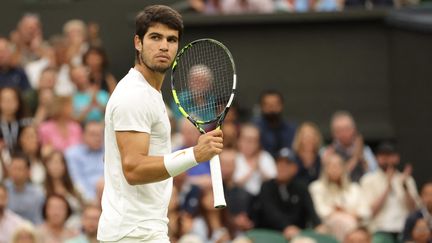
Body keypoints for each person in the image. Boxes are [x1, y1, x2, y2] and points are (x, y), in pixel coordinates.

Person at [97, 5, 223, 243]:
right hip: (133, 234)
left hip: (141, 230)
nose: (164, 45)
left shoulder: (149, 93)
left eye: (171, 39)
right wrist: (195, 154)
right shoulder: (134, 95)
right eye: (155, 37)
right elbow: (133, 169)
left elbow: (117, 159)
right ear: (138, 43)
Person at [360, 141, 419, 242]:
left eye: (390, 155)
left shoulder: (407, 179)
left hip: (404, 230)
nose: (387, 159)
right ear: (376, 158)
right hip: (379, 229)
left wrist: (404, 186)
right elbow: (370, 212)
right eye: (383, 156)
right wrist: (388, 186)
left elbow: (414, 210)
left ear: (397, 158)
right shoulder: (368, 180)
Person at [257, 148, 321, 240]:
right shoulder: (267, 187)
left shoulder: (301, 187)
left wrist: (318, 225)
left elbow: (311, 210)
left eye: (287, 164)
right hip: (270, 234)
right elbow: (270, 212)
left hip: (298, 234)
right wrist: (286, 226)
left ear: (295, 168)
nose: (282, 167)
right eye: (279, 163)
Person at [309, 153, 370, 241]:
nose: (335, 169)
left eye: (338, 166)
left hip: (357, 225)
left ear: (344, 168)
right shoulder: (316, 187)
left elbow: (366, 211)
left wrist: (347, 213)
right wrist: (337, 213)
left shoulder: (354, 188)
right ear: (325, 169)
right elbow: (320, 211)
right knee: (342, 221)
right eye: (331, 166)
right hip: (328, 227)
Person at [322, 110, 377, 182]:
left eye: (347, 129)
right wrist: (355, 158)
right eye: (339, 130)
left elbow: (374, 174)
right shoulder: (328, 152)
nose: (344, 134)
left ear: (354, 130)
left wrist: (362, 159)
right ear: (334, 133)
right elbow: (336, 176)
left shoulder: (364, 150)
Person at [65, 121, 104, 201]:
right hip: (84, 200)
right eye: (93, 134)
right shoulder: (72, 154)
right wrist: (91, 200)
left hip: (109, 198)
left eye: (100, 134)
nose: (98, 138)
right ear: (83, 135)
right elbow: (76, 181)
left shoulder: (109, 151)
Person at [254, 90, 296, 158]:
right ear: (261, 107)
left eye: (275, 104)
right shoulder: (254, 129)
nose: (271, 109)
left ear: (281, 105)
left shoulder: (291, 129)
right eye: (268, 105)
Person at [5, 153, 45, 225]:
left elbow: (39, 220)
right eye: (13, 168)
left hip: (31, 232)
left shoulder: (37, 194)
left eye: (20, 169)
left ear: (28, 171)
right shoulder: (3, 190)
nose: (16, 172)